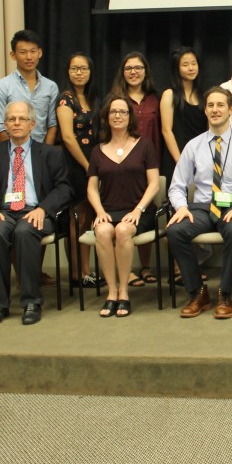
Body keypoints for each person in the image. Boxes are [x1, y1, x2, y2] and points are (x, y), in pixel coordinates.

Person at [166, 86, 232, 319]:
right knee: (175, 231)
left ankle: (225, 293)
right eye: (210, 105)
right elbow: (177, 184)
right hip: (201, 207)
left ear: (231, 110)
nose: (215, 109)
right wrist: (181, 207)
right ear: (205, 110)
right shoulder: (194, 145)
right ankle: (198, 293)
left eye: (220, 105)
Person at [0, 101, 73, 326]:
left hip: (35, 211)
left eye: (22, 119)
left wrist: (43, 209)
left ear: (32, 124)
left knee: (25, 231)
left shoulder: (50, 153)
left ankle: (31, 302)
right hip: (3, 212)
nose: (16, 123)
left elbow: (65, 188)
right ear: (5, 125)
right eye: (11, 119)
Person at [86, 95, 161, 318]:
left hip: (140, 211)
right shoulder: (98, 150)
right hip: (109, 210)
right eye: (113, 112)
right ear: (106, 117)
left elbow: (155, 183)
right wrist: (99, 212)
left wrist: (138, 210)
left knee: (122, 230)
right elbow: (91, 188)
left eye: (123, 112)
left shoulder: (145, 145)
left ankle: (124, 292)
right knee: (102, 231)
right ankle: (111, 292)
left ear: (130, 117)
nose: (117, 116)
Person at [111, 51, 161, 286]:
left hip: (149, 162)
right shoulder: (115, 100)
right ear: (123, 72)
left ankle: (145, 266)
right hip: (123, 163)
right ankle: (126, 269)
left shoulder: (155, 99)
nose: (134, 72)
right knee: (122, 212)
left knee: (144, 210)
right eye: (129, 68)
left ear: (145, 71)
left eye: (138, 67)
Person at [56, 52, 103, 289]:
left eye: (83, 68)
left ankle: (86, 270)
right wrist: (87, 167)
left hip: (92, 162)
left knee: (88, 217)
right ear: (68, 72)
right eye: (74, 69)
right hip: (75, 165)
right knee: (77, 218)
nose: (79, 73)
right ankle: (76, 273)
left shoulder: (92, 98)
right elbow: (67, 136)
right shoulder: (65, 99)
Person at [0, 29, 59, 144]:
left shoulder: (51, 87)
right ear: (13, 55)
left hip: (41, 154)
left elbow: (52, 124)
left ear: (40, 53)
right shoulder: (1, 87)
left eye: (33, 51)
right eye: (23, 52)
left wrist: (43, 153)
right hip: (11, 154)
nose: (29, 57)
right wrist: (18, 153)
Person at [160, 46, 208, 181]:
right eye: (185, 65)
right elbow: (166, 130)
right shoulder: (169, 95)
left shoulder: (203, 96)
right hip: (177, 158)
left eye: (194, 63)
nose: (191, 68)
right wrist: (181, 161)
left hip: (201, 159)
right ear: (177, 68)